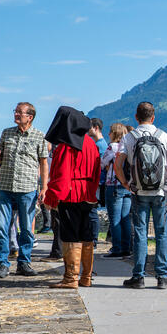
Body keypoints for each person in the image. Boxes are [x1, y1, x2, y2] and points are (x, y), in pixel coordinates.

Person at [114, 102, 167, 289]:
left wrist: (126, 183)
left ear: (136, 117)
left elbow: (118, 165)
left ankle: (139, 277)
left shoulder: (129, 138)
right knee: (161, 234)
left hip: (138, 191)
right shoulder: (164, 136)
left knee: (140, 234)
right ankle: (162, 277)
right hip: (162, 193)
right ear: (153, 117)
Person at [0, 102, 48, 278]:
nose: (16, 114)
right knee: (1, 227)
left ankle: (24, 262)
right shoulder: (6, 133)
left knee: (26, 229)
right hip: (5, 187)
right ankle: (2, 263)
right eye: (15, 111)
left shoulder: (39, 136)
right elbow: (0, 162)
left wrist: (44, 187)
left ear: (30, 117)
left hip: (27, 188)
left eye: (19, 112)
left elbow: (44, 164)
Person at [43, 107, 100, 288]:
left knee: (70, 236)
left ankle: (70, 278)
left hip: (70, 194)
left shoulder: (66, 146)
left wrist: (51, 197)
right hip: (87, 193)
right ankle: (86, 277)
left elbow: (61, 175)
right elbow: (97, 171)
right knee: (86, 235)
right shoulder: (90, 143)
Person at [101, 123, 131, 259]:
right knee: (125, 219)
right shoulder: (128, 146)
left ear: (114, 133)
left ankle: (116, 248)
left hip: (113, 185)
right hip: (127, 186)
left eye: (110, 131)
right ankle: (127, 248)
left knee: (115, 219)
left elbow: (101, 163)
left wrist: (107, 165)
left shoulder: (112, 147)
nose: (108, 134)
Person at [87, 118, 108, 247]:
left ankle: (93, 239)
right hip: (99, 181)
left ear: (95, 127)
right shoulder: (102, 144)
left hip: (98, 182)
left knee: (92, 210)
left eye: (89, 127)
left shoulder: (99, 145)